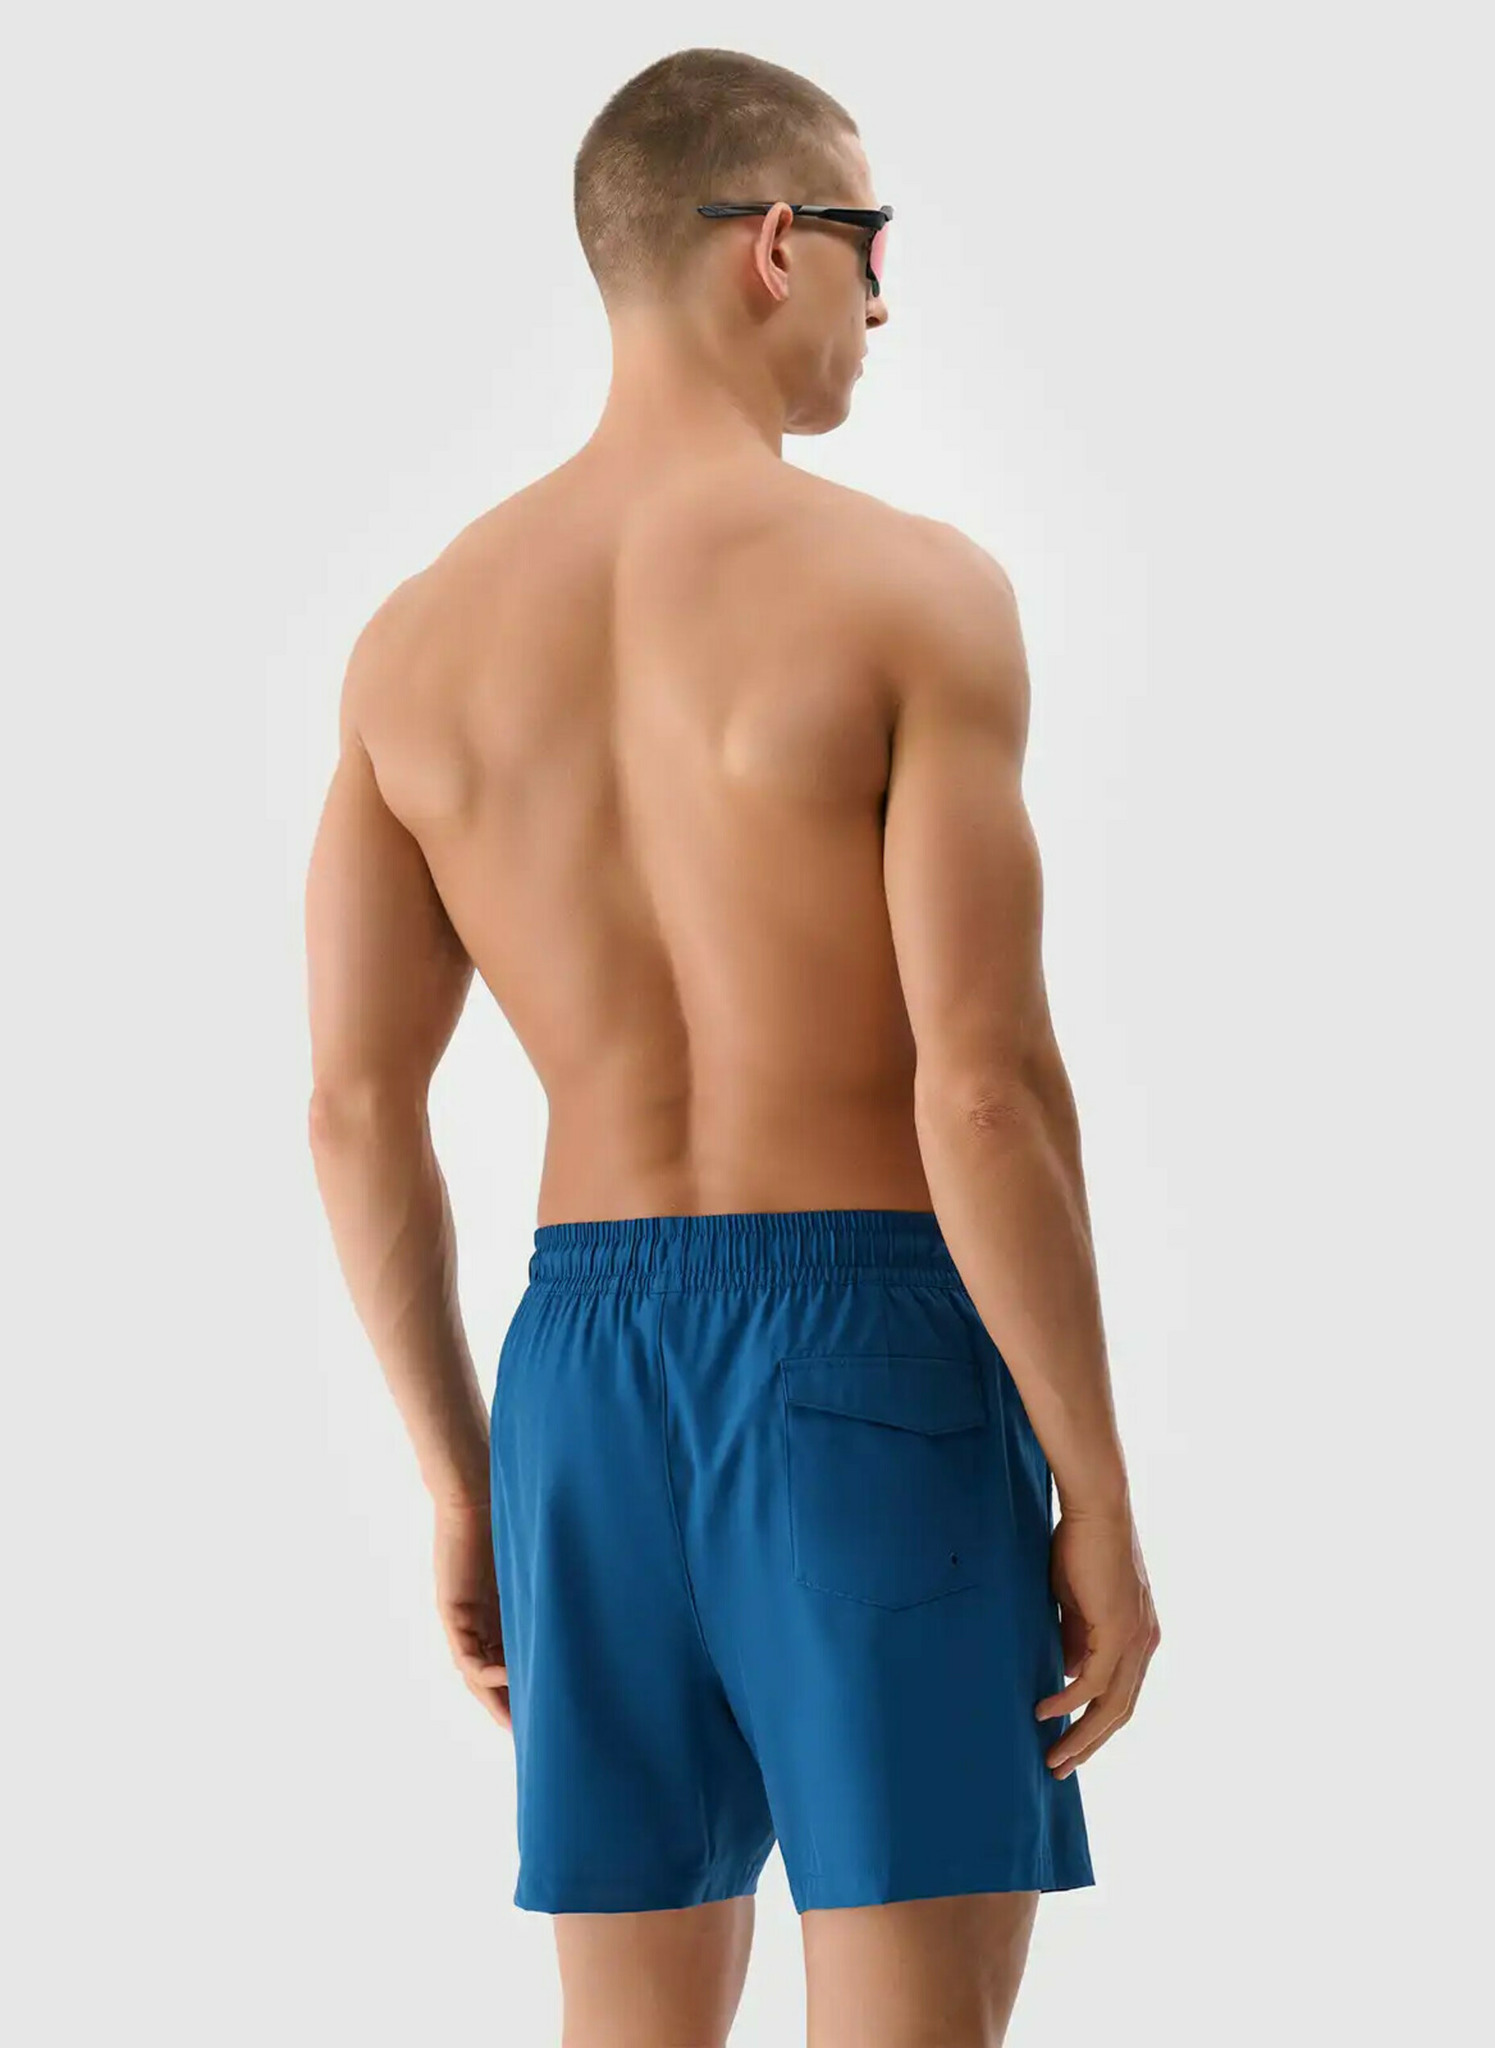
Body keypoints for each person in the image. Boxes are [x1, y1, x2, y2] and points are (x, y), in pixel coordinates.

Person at [304, 44, 1158, 2048]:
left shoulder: (413, 642)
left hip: (578, 1388)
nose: (883, 298)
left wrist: (464, 1480)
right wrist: (1101, 1492)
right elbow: (982, 1088)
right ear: (776, 244)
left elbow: (353, 1110)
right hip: (868, 1362)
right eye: (870, 245)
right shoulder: (908, 594)